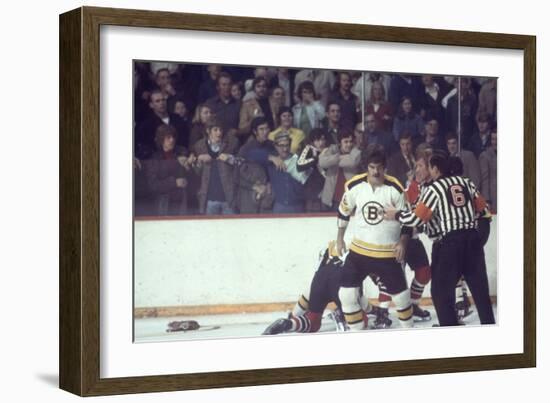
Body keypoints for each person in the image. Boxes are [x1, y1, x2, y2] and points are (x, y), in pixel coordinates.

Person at [384, 152, 495, 326]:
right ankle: (490, 331)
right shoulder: (466, 182)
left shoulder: (434, 188)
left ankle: (449, 328)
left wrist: (395, 214)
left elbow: (416, 219)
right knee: (481, 293)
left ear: (435, 169)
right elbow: (484, 211)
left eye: (428, 167)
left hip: (450, 243)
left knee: (440, 292)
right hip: (472, 240)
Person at [335, 149, 414, 330]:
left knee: (402, 298)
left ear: (385, 168)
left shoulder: (396, 188)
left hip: (387, 253)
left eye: (379, 168)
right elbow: (343, 212)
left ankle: (410, 333)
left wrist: (402, 242)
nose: (375, 172)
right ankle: (357, 336)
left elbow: (408, 220)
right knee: (346, 295)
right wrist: (339, 239)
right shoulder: (354, 185)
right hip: (359, 252)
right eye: (372, 167)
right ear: (367, 168)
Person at [262, 243, 370, 335]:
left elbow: (310, 290)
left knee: (313, 322)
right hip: (341, 280)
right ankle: (341, 316)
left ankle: (289, 324)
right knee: (361, 322)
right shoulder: (363, 250)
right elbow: (357, 296)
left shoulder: (329, 248)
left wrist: (293, 316)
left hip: (320, 278)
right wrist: (374, 310)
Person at [144, 124, 194, 216]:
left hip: (182, 202)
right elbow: (152, 185)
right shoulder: (155, 158)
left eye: (173, 137)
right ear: (161, 139)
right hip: (164, 204)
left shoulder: (182, 152)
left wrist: (189, 168)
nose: (172, 140)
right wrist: (174, 183)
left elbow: (193, 178)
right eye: (168, 137)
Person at [193, 118, 240, 215]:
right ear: (208, 131)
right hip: (209, 199)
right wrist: (199, 160)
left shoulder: (232, 143)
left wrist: (230, 158)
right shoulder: (199, 146)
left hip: (228, 198)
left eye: (221, 130)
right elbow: (197, 173)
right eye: (215, 130)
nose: (219, 133)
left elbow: (241, 164)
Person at [237, 117, 275, 214]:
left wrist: (270, 183)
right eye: (261, 129)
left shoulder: (273, 146)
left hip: (268, 195)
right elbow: (236, 175)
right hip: (249, 196)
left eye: (267, 128)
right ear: (255, 131)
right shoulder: (246, 149)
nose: (265, 132)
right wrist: (253, 186)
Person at [318, 131, 361, 211]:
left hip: (348, 200)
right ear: (340, 142)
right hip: (329, 198)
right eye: (346, 142)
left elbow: (352, 161)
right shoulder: (333, 149)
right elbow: (322, 162)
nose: (349, 144)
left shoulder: (356, 152)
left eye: (351, 141)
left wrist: (332, 160)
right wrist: (339, 157)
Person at [296, 128, 328, 212]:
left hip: (326, 193)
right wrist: (316, 158)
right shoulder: (308, 149)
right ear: (312, 141)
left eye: (323, 139)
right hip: (311, 194)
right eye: (317, 140)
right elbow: (299, 165)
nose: (321, 143)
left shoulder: (329, 151)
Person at [238, 77, 278, 142]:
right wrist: (253, 120)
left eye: (264, 86)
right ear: (254, 89)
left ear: (267, 88)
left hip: (274, 138)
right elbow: (242, 128)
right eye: (258, 86)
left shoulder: (274, 102)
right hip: (255, 140)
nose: (261, 89)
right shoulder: (247, 105)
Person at [205, 72, 241, 137]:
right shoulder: (210, 103)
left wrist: (238, 132)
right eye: (224, 85)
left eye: (229, 84)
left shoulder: (239, 104)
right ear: (218, 87)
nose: (227, 87)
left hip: (233, 141)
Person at [479, 129, 497, 213]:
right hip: (494, 197)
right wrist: (487, 200)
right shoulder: (485, 155)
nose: (495, 142)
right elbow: (484, 179)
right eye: (493, 139)